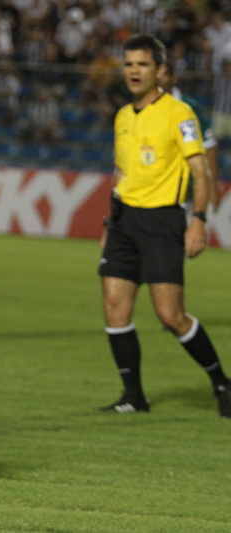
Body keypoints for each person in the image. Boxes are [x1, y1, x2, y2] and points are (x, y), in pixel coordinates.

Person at [99, 34, 231, 418]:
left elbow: (200, 170)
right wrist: (110, 222)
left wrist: (199, 220)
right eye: (129, 64)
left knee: (170, 316)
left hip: (163, 220)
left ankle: (222, 382)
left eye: (142, 64)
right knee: (114, 309)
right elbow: (120, 171)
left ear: (159, 71)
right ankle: (134, 396)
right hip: (125, 221)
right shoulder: (124, 116)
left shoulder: (179, 113)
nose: (134, 71)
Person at [158, 62, 221, 211]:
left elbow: (209, 145)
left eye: (164, 74)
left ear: (173, 78)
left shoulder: (188, 107)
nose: (159, 79)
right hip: (155, 186)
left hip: (184, 188)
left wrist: (213, 185)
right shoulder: (146, 107)